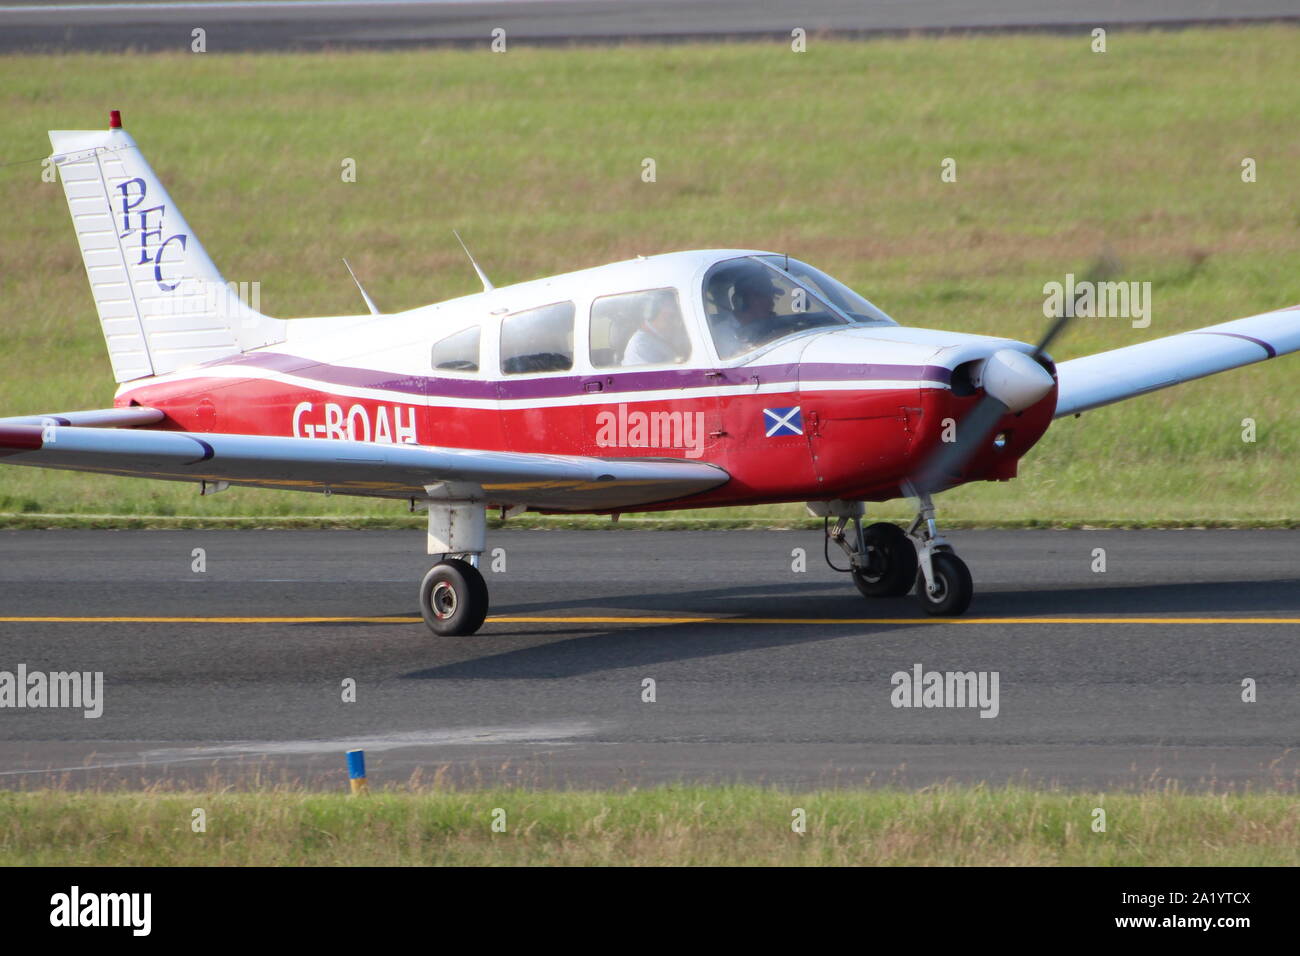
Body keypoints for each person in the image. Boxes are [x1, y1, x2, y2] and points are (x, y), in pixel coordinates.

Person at [623, 292, 689, 365]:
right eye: (670, 317)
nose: (675, 322)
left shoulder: (665, 336)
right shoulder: (641, 345)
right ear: (652, 313)